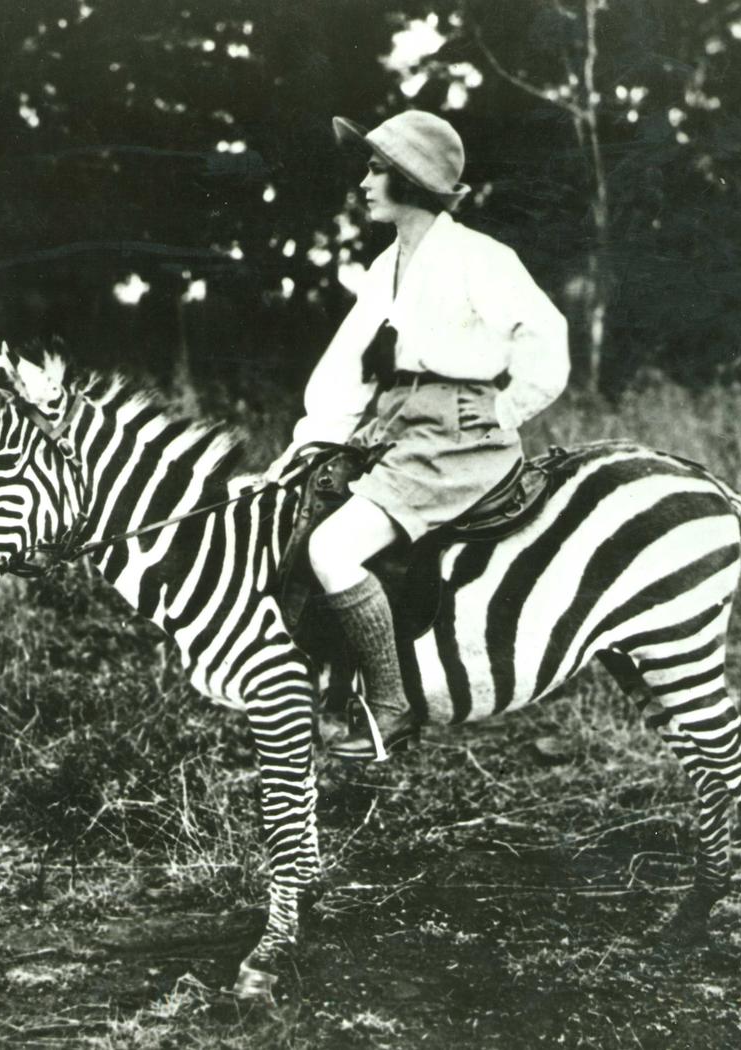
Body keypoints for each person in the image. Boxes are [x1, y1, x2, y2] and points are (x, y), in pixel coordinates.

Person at [268, 110, 569, 761]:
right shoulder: (385, 268)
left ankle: (391, 705)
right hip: (400, 431)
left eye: (377, 170)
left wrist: (497, 413)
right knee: (301, 501)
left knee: (335, 549)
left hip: (458, 443)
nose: (366, 182)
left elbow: (547, 346)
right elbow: (349, 368)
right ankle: (329, 685)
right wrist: (309, 442)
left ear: (408, 182)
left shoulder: (479, 259)